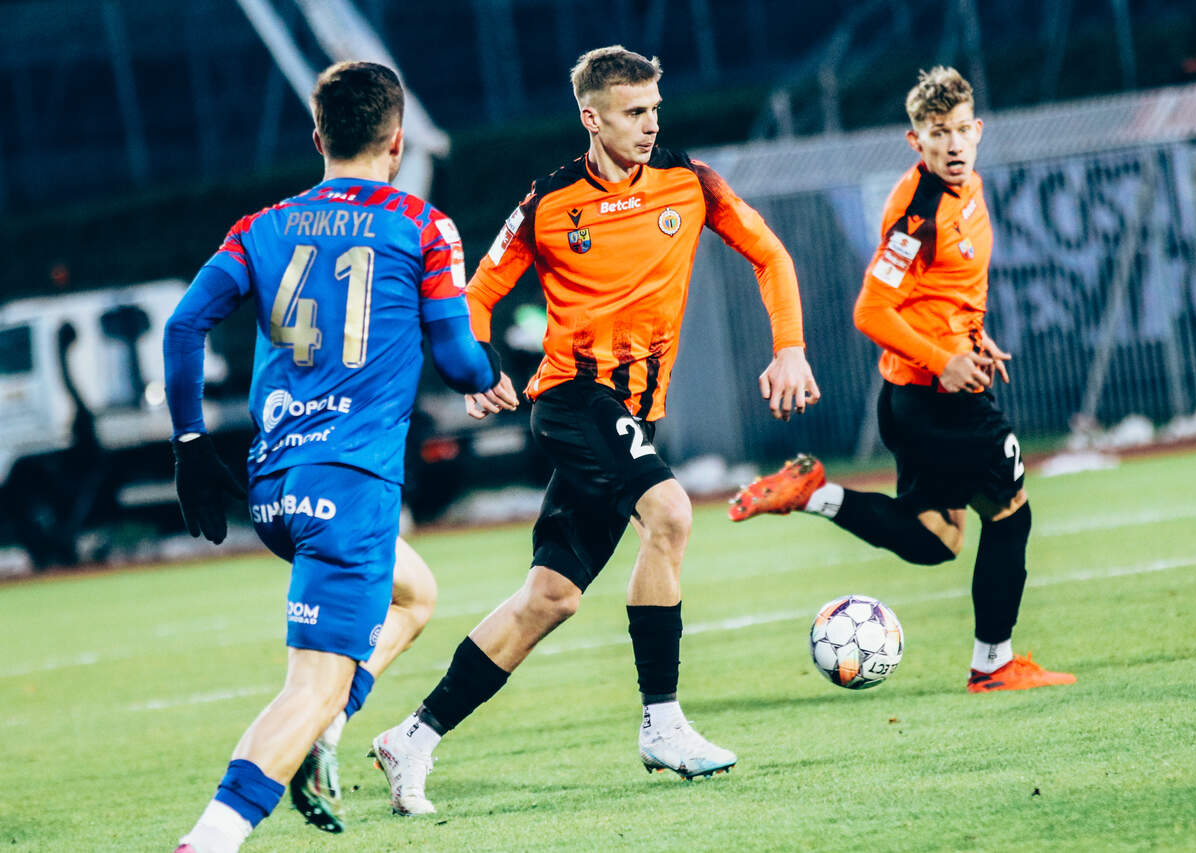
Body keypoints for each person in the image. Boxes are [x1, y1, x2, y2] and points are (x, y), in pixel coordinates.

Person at [366, 44, 820, 815]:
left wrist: (791, 346)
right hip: (574, 400)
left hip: (633, 418)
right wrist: (478, 367)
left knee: (550, 597)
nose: (650, 125)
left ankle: (412, 736)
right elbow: (477, 295)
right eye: (634, 112)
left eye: (654, 110)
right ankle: (662, 722)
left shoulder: (691, 182)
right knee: (670, 513)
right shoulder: (548, 202)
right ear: (592, 118)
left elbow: (769, 254)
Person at [165, 61, 516, 853]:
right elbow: (459, 360)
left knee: (415, 595)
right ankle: (210, 838)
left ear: (318, 136)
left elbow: (184, 325)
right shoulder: (421, 224)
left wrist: (189, 444)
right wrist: (489, 372)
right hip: (349, 485)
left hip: (274, 486)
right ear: (398, 142)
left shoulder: (262, 225)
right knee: (311, 684)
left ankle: (325, 733)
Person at [729, 66, 1075, 694]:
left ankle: (812, 494)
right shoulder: (919, 214)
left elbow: (941, 291)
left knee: (938, 538)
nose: (953, 144)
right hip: (940, 399)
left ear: (979, 129)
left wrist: (971, 334)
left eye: (962, 129)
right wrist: (945, 359)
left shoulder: (967, 187)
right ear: (916, 141)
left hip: (918, 395)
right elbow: (871, 310)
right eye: (938, 133)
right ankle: (994, 666)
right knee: (1010, 515)